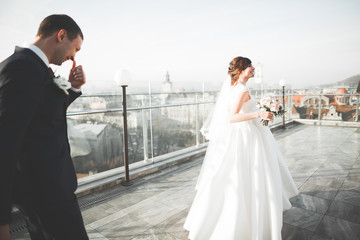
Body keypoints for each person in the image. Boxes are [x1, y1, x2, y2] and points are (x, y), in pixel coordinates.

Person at [184, 56, 299, 239]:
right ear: (241, 69)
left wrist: (260, 112)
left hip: (243, 133)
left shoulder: (235, 87)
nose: (253, 68)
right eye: (250, 66)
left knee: (239, 176)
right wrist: (259, 112)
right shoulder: (242, 90)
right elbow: (232, 117)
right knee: (249, 176)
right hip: (245, 135)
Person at [0, 14, 88, 239]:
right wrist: (2, 219)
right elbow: (5, 143)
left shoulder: (33, 66)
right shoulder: (22, 68)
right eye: (75, 49)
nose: (73, 57)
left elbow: (41, 115)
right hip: (45, 193)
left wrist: (73, 88)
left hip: (49, 190)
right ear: (61, 35)